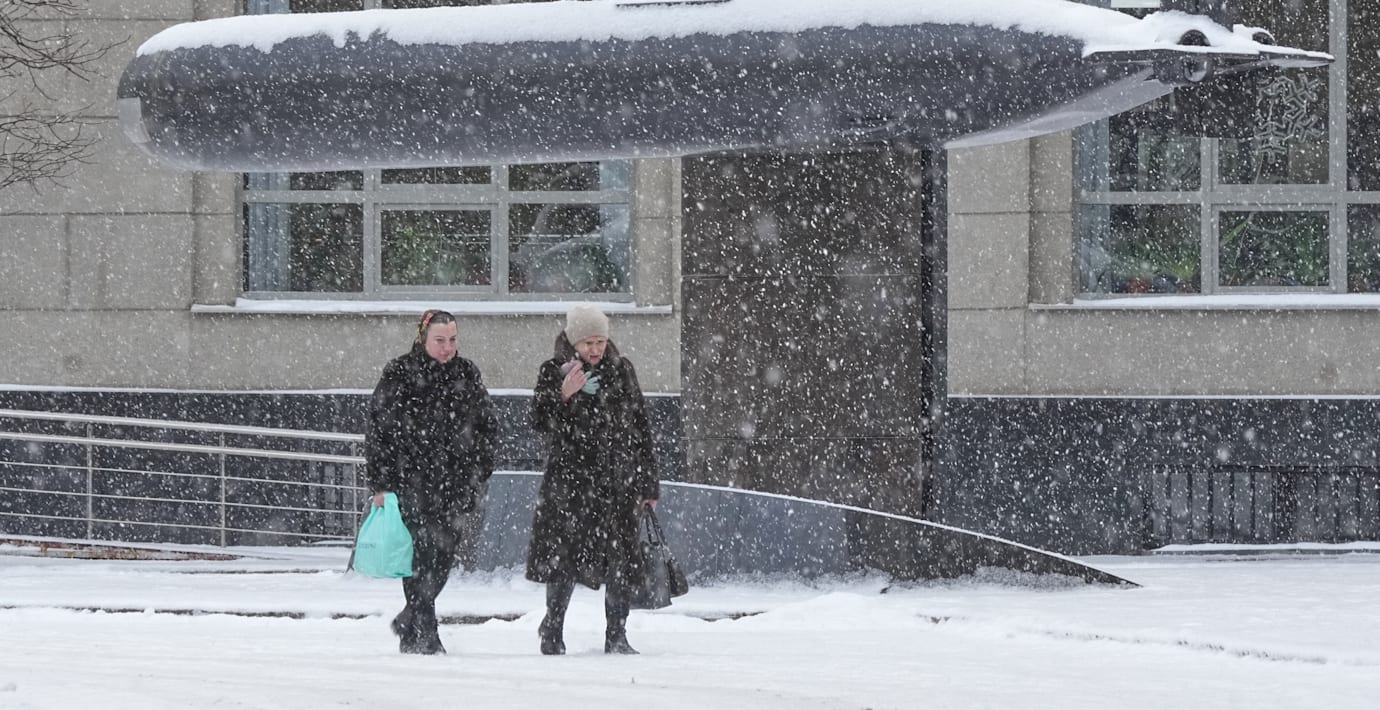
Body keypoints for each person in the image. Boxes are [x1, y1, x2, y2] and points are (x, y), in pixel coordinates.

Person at [526, 303, 660, 655]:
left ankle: (617, 634)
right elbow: (539, 421)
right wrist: (563, 394)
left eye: (600, 340)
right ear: (574, 341)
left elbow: (640, 429)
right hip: (570, 484)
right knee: (564, 561)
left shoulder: (621, 370)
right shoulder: (554, 370)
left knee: (621, 561)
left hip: (619, 483)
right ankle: (552, 628)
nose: (596, 349)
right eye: (588, 342)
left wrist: (649, 484)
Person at [365, 309, 498, 655]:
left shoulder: (466, 373)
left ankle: (410, 619)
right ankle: (426, 630)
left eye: (452, 339)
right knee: (421, 556)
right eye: (440, 340)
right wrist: (381, 483)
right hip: (411, 481)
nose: (447, 347)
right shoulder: (400, 372)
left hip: (455, 484)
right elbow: (379, 429)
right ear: (423, 338)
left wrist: (480, 469)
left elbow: (486, 425)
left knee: (443, 557)